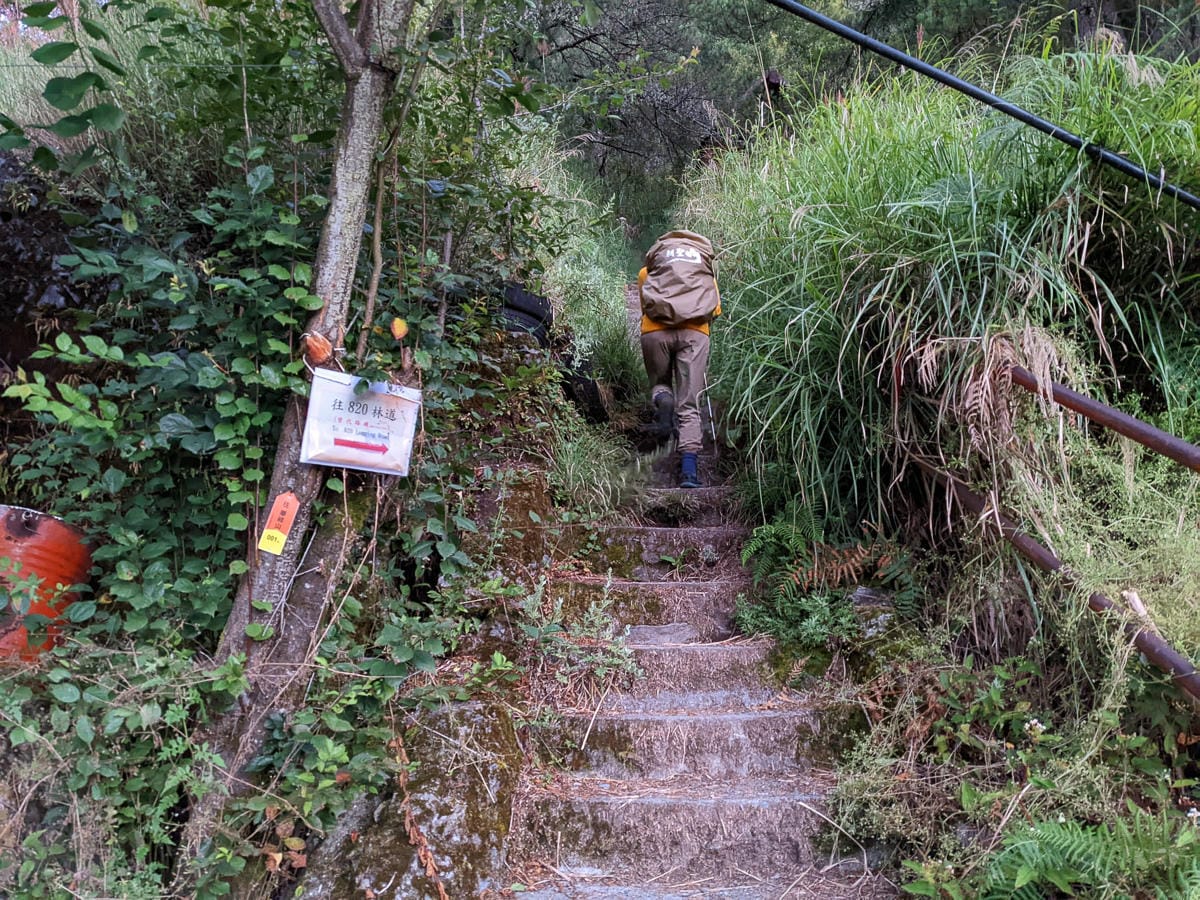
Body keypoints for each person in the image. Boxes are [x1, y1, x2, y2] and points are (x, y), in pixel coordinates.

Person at [638, 230, 721, 489]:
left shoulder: (647, 273)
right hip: (695, 334)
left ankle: (663, 402)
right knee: (690, 403)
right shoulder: (705, 275)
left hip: (655, 333)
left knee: (661, 383)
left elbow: (645, 303)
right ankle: (688, 471)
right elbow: (715, 309)